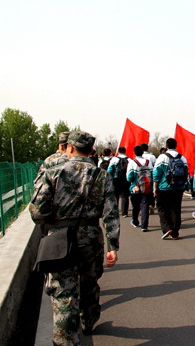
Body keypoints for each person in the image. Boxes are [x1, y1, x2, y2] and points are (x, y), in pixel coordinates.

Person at [29, 131, 120, 345]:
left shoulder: (53, 172)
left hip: (60, 238)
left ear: (70, 148)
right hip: (91, 239)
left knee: (63, 292)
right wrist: (113, 245)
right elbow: (111, 213)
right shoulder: (101, 176)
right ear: (90, 151)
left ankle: (66, 340)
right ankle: (88, 321)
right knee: (89, 283)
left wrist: (55, 220)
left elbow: (37, 212)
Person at [153, 138, 188, 240]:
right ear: (176, 146)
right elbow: (186, 172)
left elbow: (156, 174)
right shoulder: (182, 158)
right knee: (176, 209)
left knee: (162, 208)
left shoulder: (162, 157)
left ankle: (166, 227)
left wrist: (155, 188)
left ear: (166, 146)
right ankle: (175, 232)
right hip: (178, 188)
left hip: (164, 188)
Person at [126, 145, 152, 232]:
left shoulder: (132, 162)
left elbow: (129, 177)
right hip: (147, 187)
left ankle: (135, 221)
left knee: (135, 206)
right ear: (143, 152)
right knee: (145, 206)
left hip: (135, 187)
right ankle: (144, 226)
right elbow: (152, 174)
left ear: (134, 152)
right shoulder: (148, 162)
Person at [107, 146, 130, 217]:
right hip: (126, 180)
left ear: (118, 151)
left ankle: (115, 210)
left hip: (116, 180)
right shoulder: (129, 159)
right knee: (125, 196)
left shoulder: (114, 159)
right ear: (125, 151)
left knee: (115, 196)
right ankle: (124, 212)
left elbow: (110, 170)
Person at [140, 143, 156, 214]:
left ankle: (143, 205)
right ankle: (151, 204)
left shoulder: (140, 156)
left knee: (142, 190)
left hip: (141, 175)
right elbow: (155, 165)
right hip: (151, 174)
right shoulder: (152, 156)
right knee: (151, 190)